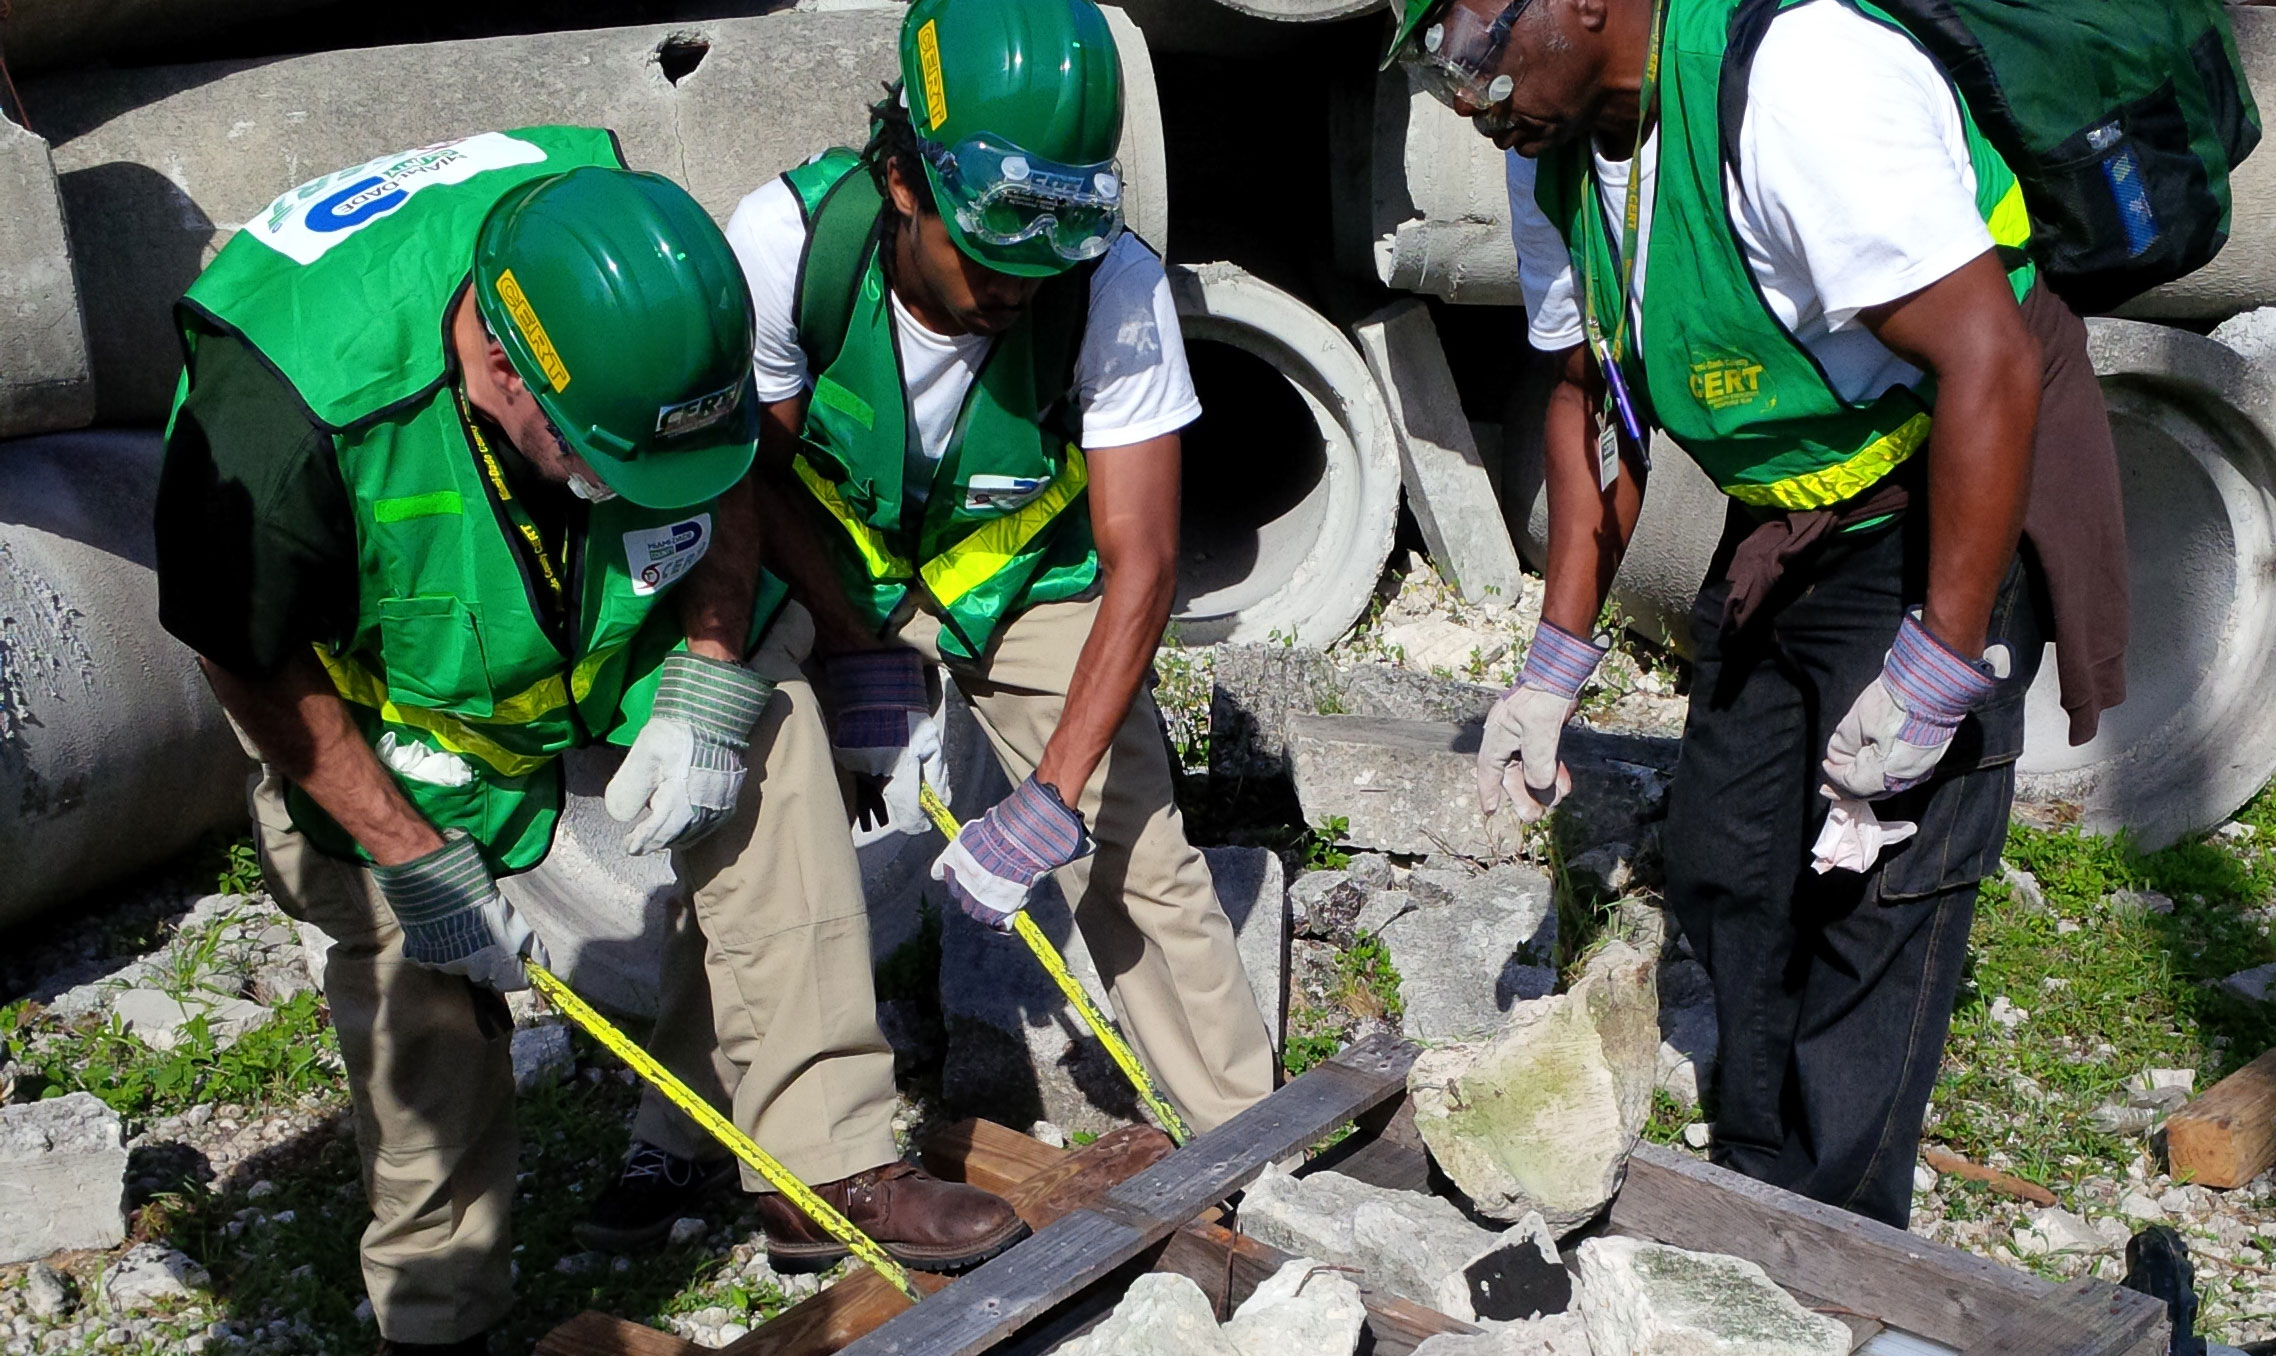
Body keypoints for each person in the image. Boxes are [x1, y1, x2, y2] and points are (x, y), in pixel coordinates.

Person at [155, 127, 1020, 1356]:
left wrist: (714, 675)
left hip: (602, 615)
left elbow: (718, 473)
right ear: (500, 370)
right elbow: (246, 655)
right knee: (411, 976)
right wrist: (407, 849)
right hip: (398, 689)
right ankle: (438, 1318)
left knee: (773, 751)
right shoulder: (277, 415)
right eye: (605, 458)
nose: (631, 483)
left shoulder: (657, 293)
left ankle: (827, 1165)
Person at [1386, 0, 2129, 1226]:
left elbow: (1988, 361)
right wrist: (1554, 665)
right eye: (1436, 67)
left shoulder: (1795, 86)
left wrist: (1939, 665)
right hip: (1791, 509)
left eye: (1472, 48)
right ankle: (1758, 1173)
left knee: (1876, 887)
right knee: (1730, 857)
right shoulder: (1557, 149)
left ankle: (1846, 1245)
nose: (1470, 97)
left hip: (1944, 482)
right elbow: (1590, 394)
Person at [727, 0, 1275, 1148]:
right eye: (989, 251)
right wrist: (846, 641)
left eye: (1048, 252)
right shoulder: (785, 247)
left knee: (1133, 831)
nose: (1018, 286)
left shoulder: (1110, 288)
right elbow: (747, 479)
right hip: (825, 561)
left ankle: (1247, 1138)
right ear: (902, 178)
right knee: (755, 796)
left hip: (1013, 577)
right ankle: (703, 1132)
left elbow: (1145, 563)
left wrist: (1050, 797)